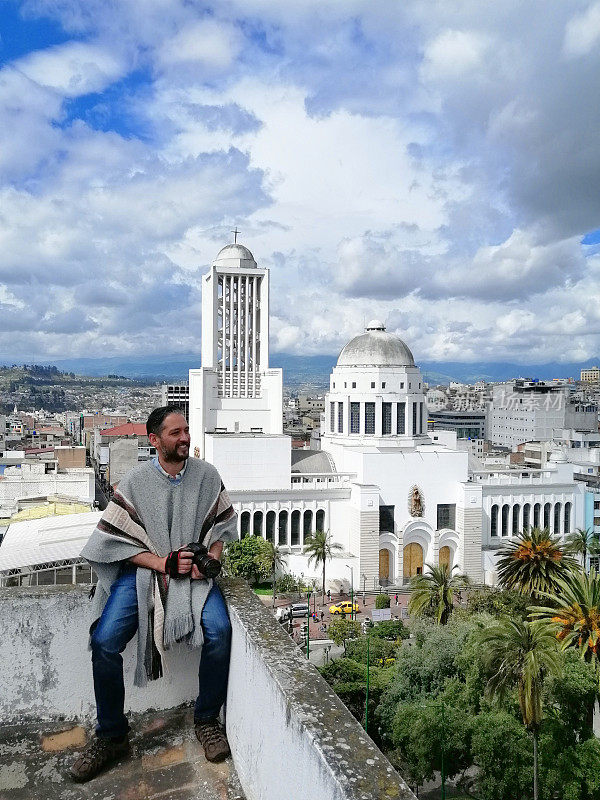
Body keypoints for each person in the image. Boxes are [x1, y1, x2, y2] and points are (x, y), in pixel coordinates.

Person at [70, 407, 237, 782]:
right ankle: (111, 735)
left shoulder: (207, 476)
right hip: (145, 574)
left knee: (220, 632)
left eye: (187, 430)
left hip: (194, 579)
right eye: (175, 432)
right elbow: (115, 540)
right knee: (104, 641)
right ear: (154, 440)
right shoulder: (134, 482)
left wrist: (207, 560)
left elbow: (222, 528)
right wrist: (162, 563)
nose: (185, 438)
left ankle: (207, 719)